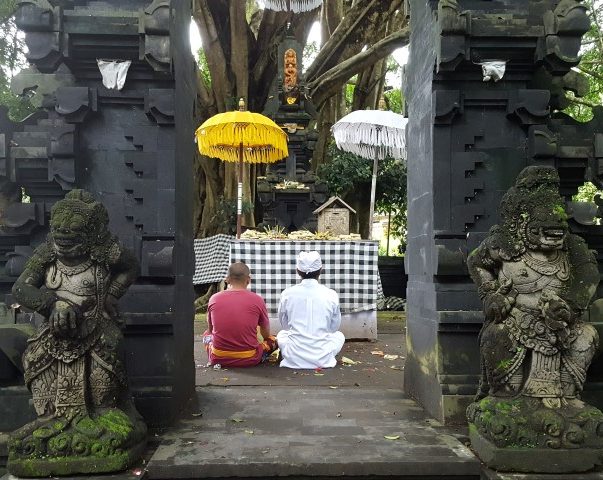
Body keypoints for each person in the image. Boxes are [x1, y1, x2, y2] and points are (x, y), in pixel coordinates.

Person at [277, 251, 345, 369]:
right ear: (320, 270)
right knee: (339, 335)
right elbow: (333, 328)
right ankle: (322, 356)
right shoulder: (331, 294)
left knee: (282, 334)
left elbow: (285, 326)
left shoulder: (287, 294)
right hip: (322, 357)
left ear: (298, 271)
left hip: (293, 357)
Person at [204, 262, 277, 367]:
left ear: (227, 279)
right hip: (250, 358)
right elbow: (266, 334)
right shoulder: (257, 300)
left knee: (206, 335)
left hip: (218, 357)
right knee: (273, 339)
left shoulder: (214, 298)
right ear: (248, 280)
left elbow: (211, 330)